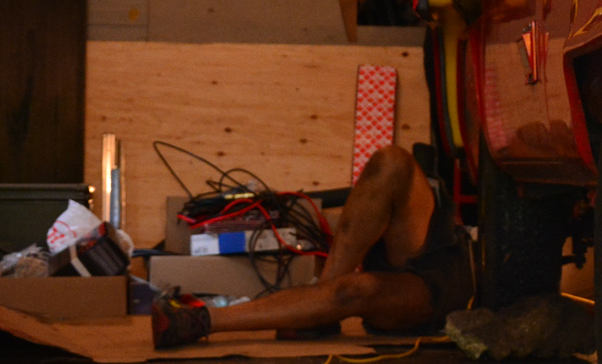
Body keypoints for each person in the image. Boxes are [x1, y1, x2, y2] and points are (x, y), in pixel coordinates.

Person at [151, 144, 472, 349]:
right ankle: (321, 305)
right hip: (418, 252)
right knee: (391, 160)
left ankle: (201, 321)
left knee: (352, 291)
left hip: (439, 288)